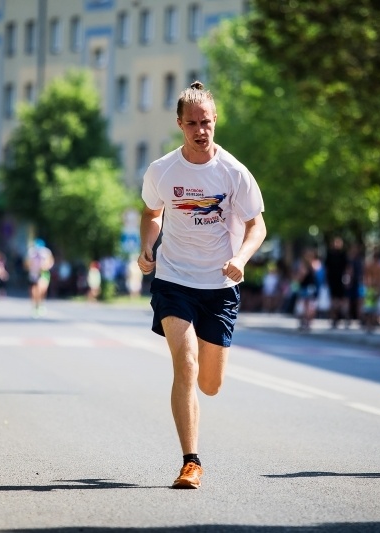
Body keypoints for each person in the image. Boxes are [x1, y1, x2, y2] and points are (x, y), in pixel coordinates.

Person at [138, 81, 266, 489]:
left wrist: (240, 259)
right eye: (192, 123)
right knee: (186, 362)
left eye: (206, 121)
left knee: (209, 384)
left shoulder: (233, 172)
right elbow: (151, 213)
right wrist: (147, 247)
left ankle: (194, 423)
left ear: (215, 121)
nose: (200, 129)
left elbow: (256, 225)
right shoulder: (162, 170)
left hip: (220, 285)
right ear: (179, 124)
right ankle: (190, 461)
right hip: (174, 279)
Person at [324, 236, 349, 326]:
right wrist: (326, 280)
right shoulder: (330, 254)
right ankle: (334, 318)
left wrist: (347, 279)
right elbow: (326, 268)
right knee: (333, 300)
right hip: (332, 280)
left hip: (341, 280)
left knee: (342, 300)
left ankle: (344, 317)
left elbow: (347, 268)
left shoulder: (343, 254)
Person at [26, 238, 54, 317]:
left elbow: (51, 260)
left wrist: (46, 266)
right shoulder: (31, 252)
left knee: (42, 289)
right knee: (34, 291)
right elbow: (27, 262)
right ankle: (35, 306)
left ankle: (41, 304)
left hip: (43, 273)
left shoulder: (46, 252)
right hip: (34, 274)